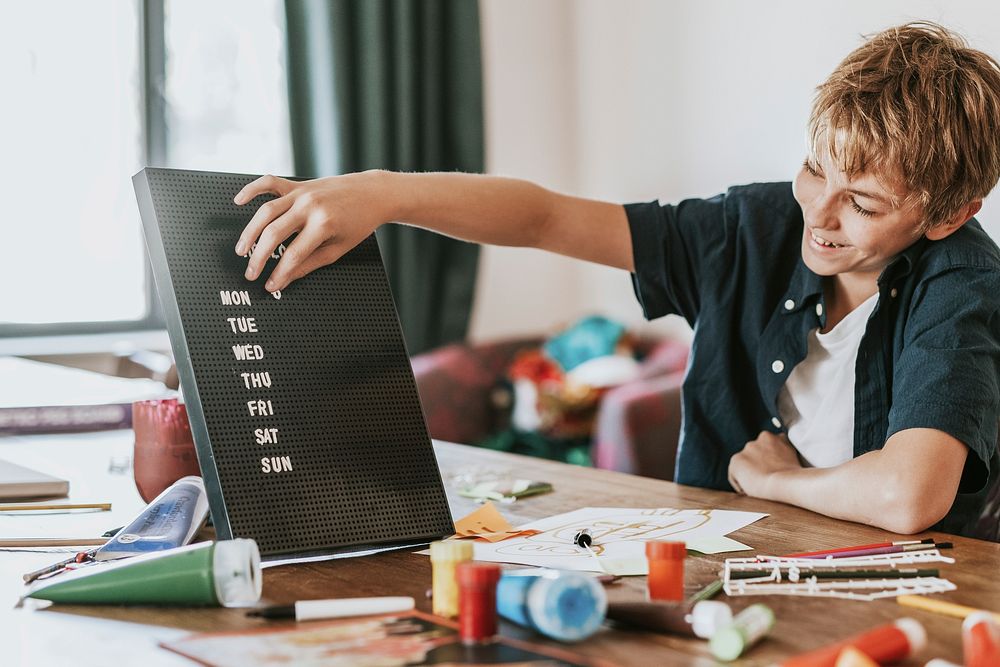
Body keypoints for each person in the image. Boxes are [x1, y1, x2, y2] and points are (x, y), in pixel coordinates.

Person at [232, 22, 1000, 538]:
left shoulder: (963, 284)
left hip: (917, 587)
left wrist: (776, 483)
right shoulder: (752, 229)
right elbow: (543, 218)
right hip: (736, 565)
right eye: (812, 171)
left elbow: (908, 495)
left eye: (862, 202)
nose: (819, 216)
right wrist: (385, 194)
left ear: (947, 213)